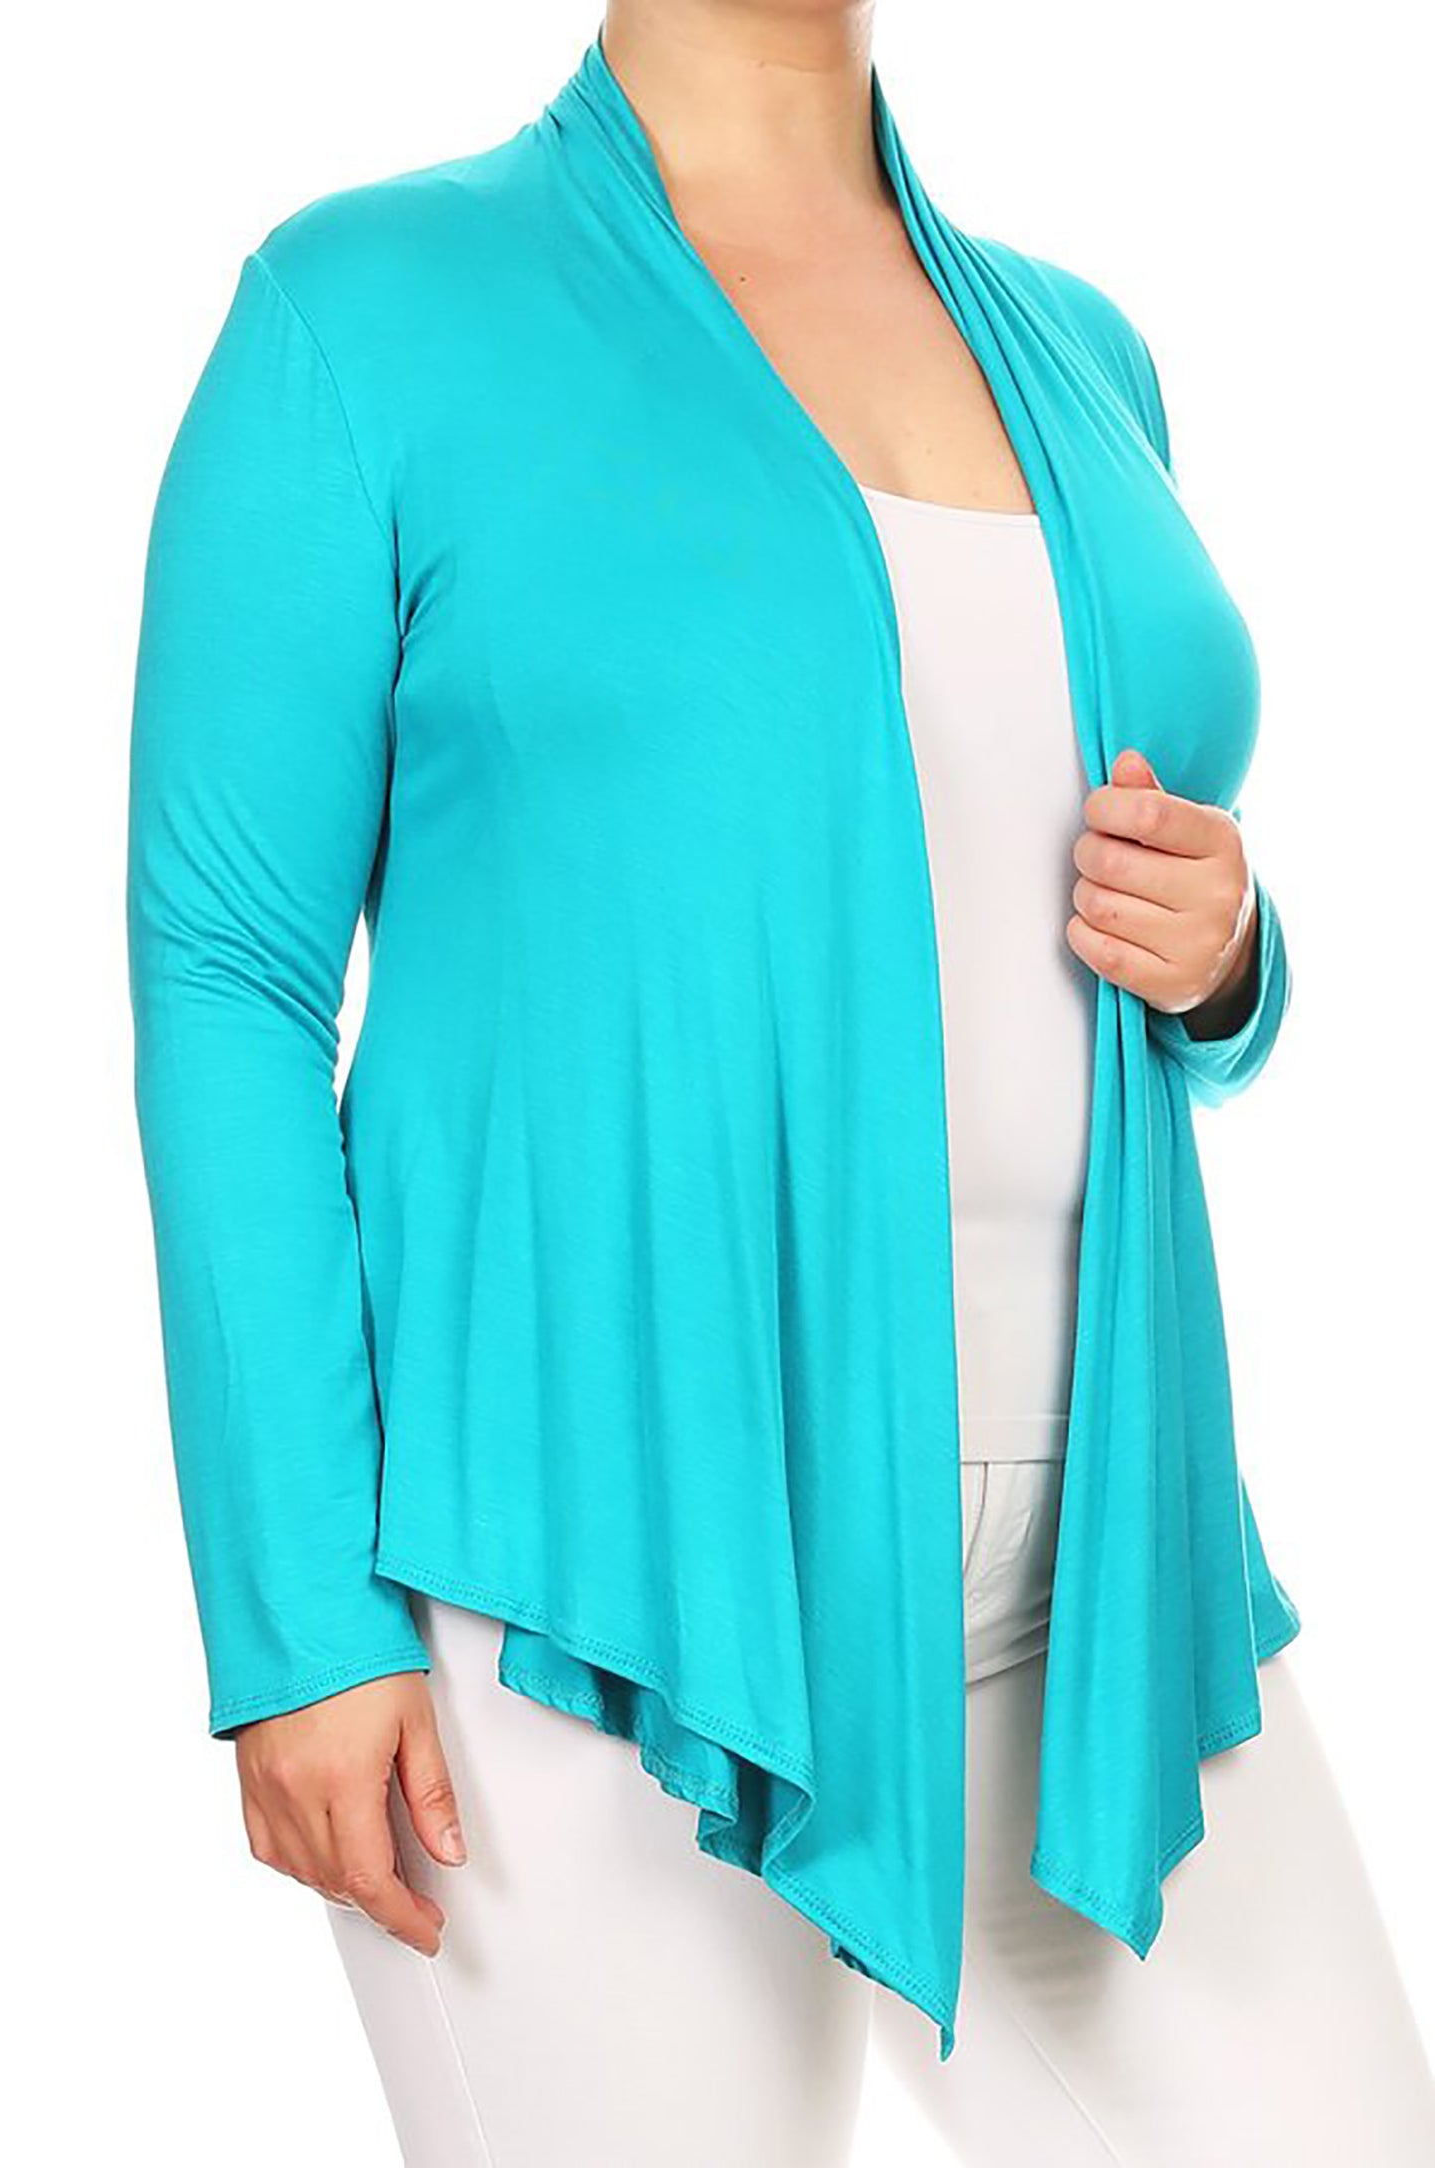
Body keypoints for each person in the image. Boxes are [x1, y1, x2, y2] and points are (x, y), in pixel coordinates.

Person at [126, 3, 1435, 2160]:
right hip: (595, 1557)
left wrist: (1231, 960)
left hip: (1098, 1546)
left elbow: (1065, 887)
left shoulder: (1082, 352)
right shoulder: (367, 309)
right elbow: (229, 974)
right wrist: (295, 1622)